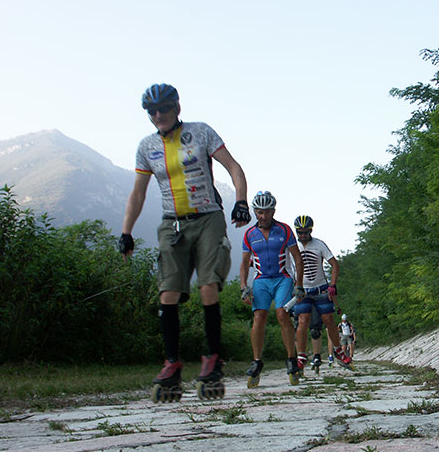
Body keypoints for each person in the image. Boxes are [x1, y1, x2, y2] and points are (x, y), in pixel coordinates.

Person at [119, 83, 250, 402]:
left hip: (207, 217)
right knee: (168, 292)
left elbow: (233, 167)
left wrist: (241, 201)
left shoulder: (201, 132)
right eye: (151, 111)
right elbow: (138, 193)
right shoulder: (146, 147)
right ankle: (172, 362)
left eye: (163, 108)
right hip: (172, 222)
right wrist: (126, 232)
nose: (158, 115)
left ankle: (212, 358)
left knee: (208, 286)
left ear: (177, 107)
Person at [239, 191, 305, 387]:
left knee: (282, 314)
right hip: (261, 280)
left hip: (282, 278)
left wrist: (299, 285)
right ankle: (257, 361)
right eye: (259, 212)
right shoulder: (249, 234)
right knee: (259, 317)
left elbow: (297, 258)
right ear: (255, 212)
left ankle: (291, 359)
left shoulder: (284, 230)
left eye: (267, 212)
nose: (263, 216)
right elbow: (244, 263)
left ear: (273, 211)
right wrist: (243, 287)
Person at [291, 215, 352, 370]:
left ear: (311, 230)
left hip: (321, 289)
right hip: (302, 290)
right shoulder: (292, 246)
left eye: (305, 232)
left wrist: (332, 285)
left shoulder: (319, 244)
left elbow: (334, 264)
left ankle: (338, 351)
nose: (302, 235)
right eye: (300, 232)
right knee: (303, 321)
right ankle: (301, 356)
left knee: (329, 320)